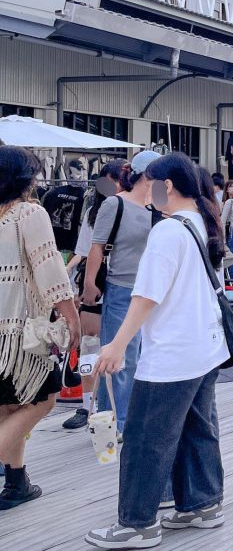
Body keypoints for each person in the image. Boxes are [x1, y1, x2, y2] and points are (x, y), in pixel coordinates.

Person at [85, 153, 229, 549]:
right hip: (204, 348)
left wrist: (116, 344)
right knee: (198, 428)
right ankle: (203, 504)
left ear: (167, 187)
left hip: (171, 354)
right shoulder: (200, 221)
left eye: (150, 182)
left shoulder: (167, 231)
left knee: (147, 436)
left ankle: (137, 522)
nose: (145, 189)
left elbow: (147, 295)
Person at [0, 146, 81, 510]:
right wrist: (71, 317)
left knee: (8, 406)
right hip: (15, 333)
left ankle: (17, 481)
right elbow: (50, 270)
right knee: (42, 398)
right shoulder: (29, 213)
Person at [82, 150, 161, 434]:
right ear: (147, 174)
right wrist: (90, 284)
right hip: (121, 288)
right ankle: (116, 420)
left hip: (152, 291)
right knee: (119, 358)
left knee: (141, 356)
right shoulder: (115, 204)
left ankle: (123, 418)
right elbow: (97, 247)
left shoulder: (160, 208)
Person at [61, 158, 127, 431]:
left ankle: (114, 408)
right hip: (96, 285)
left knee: (120, 350)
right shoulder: (94, 211)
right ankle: (87, 406)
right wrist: (77, 280)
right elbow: (86, 249)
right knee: (90, 346)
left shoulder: (139, 208)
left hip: (125, 286)